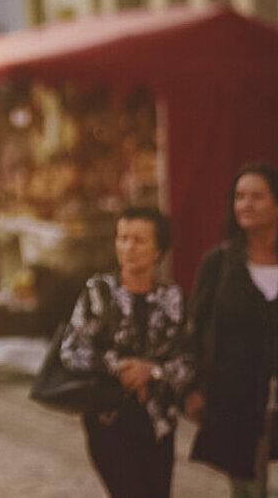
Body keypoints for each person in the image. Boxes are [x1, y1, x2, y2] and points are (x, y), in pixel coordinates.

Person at [59, 206, 193, 498]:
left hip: (158, 421)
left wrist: (152, 370)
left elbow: (187, 361)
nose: (128, 248)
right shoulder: (98, 291)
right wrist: (118, 366)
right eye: (123, 238)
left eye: (139, 240)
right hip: (108, 418)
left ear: (158, 250)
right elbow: (71, 350)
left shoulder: (172, 298)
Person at [186, 163, 278, 495]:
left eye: (257, 197)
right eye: (239, 196)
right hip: (237, 399)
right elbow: (197, 330)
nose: (245, 204)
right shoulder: (218, 264)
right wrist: (193, 389)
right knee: (247, 489)